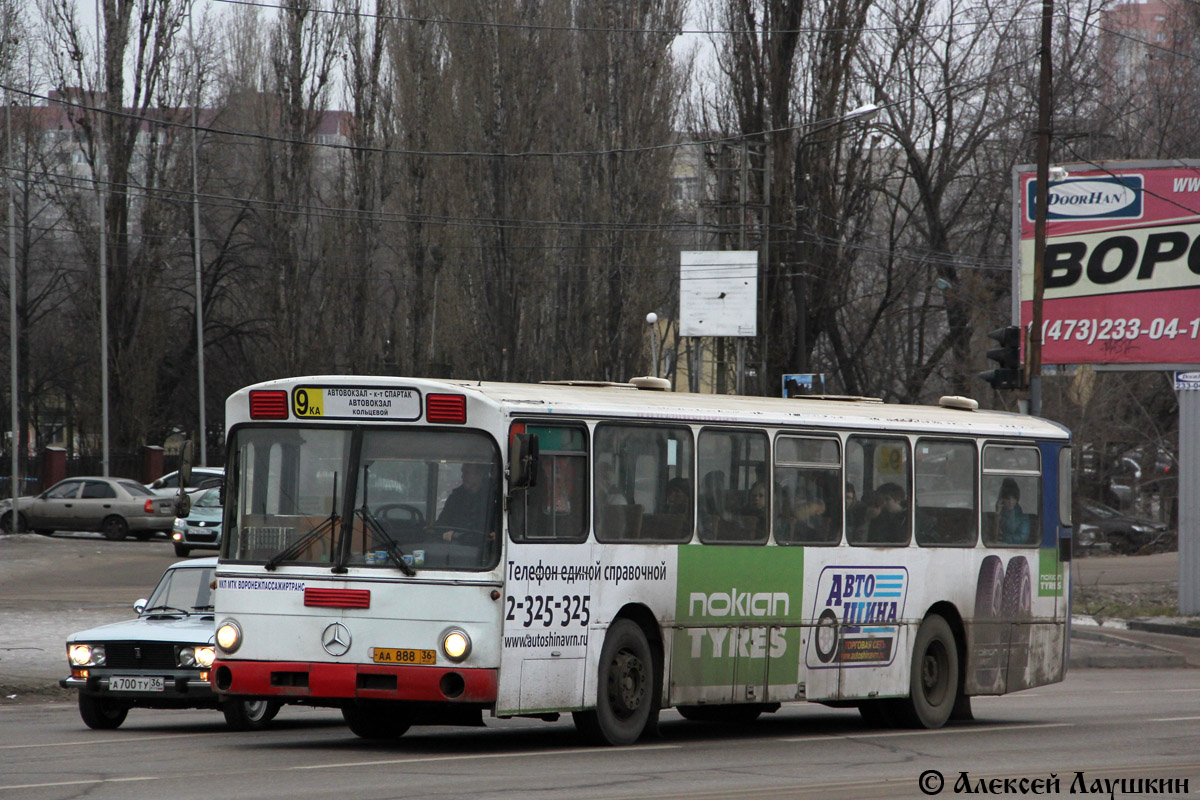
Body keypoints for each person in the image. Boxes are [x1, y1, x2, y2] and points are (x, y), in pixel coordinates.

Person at [437, 462, 496, 544]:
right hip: (455, 548)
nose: (462, 476)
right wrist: (445, 532)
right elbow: (441, 524)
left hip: (486, 551)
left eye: (467, 473)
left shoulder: (495, 498)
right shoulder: (455, 498)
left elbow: (496, 534)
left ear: (480, 474)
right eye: (462, 472)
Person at [992, 477, 1030, 544]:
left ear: (1017, 499)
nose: (1011, 502)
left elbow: (1023, 537)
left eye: (1013, 498)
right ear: (1002, 499)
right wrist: (997, 514)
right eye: (1007, 498)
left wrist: (1004, 540)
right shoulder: (999, 514)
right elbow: (992, 536)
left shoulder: (1023, 516)